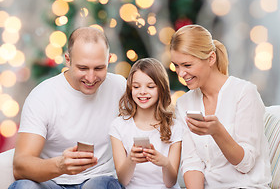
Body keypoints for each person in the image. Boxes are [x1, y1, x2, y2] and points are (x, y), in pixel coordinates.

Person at [9, 27, 126, 189]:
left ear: (109, 60)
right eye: (83, 68)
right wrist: (60, 166)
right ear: (68, 60)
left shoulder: (120, 87)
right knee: (24, 186)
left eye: (99, 68)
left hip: (99, 179)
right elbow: (20, 166)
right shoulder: (43, 96)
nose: (91, 78)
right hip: (52, 182)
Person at [170, 24, 271, 188]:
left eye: (187, 65)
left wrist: (217, 132)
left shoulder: (244, 93)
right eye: (176, 65)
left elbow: (246, 164)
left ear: (211, 58)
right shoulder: (184, 103)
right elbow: (192, 163)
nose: (181, 74)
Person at [109, 58, 183, 189]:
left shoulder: (175, 126)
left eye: (150, 86)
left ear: (161, 88)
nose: (142, 92)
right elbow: (123, 180)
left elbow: (170, 182)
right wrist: (131, 159)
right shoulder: (119, 126)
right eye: (136, 87)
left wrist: (165, 163)